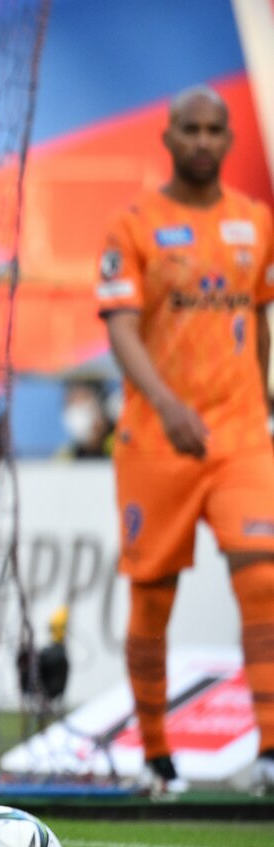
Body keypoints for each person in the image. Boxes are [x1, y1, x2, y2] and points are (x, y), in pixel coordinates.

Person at [96, 84, 274, 796]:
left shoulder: (256, 222)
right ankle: (158, 757)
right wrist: (166, 404)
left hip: (240, 434)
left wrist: (263, 404)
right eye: (190, 129)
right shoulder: (134, 226)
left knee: (264, 577)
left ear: (228, 140)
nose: (202, 140)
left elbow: (259, 320)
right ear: (167, 137)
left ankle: (271, 751)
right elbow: (120, 328)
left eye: (214, 129)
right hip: (156, 438)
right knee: (153, 598)